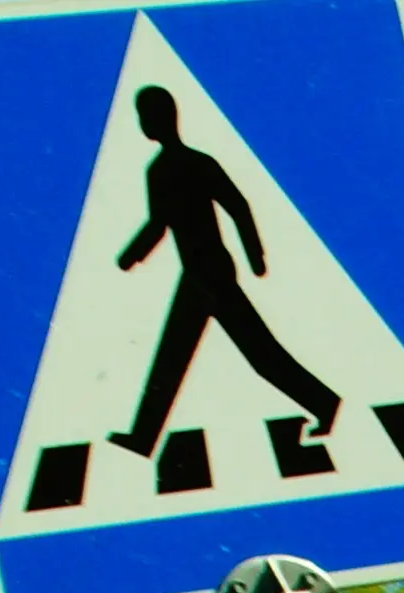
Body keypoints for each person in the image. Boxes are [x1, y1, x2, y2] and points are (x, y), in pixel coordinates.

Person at [105, 86, 338, 460]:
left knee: (251, 355)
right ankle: (143, 437)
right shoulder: (161, 169)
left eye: (146, 115)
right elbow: (159, 224)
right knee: (187, 356)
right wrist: (130, 256)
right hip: (198, 272)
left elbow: (237, 205)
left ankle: (324, 403)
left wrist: (255, 256)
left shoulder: (194, 164)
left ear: (163, 119)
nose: (143, 123)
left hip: (211, 272)